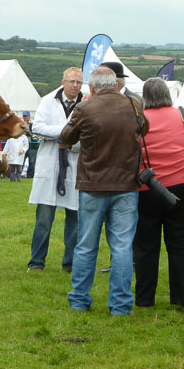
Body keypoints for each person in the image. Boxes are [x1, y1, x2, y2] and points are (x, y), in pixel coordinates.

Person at [60, 66, 148, 316]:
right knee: (121, 247)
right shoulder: (134, 106)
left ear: (91, 87)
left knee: (86, 245)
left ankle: (79, 301)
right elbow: (145, 131)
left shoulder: (85, 108)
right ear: (116, 84)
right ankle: (121, 306)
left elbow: (66, 138)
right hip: (126, 186)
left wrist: (82, 108)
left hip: (92, 185)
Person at [133, 78, 184, 310]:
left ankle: (145, 300)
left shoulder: (138, 120)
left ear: (145, 96)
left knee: (145, 247)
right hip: (183, 187)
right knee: (181, 246)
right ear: (168, 95)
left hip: (146, 189)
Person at [27, 67, 83, 273]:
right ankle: (36, 262)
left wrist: (70, 141)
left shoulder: (86, 104)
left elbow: (87, 137)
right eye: (71, 81)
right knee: (43, 219)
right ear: (63, 81)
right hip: (50, 164)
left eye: (78, 82)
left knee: (75, 219)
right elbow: (37, 128)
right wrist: (65, 133)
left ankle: (70, 264)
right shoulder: (48, 101)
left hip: (74, 163)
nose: (75, 86)